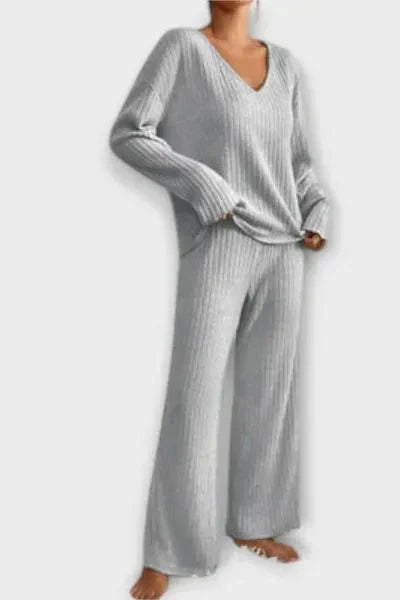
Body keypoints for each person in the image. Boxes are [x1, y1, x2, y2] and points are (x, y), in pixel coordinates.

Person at [109, 1, 329, 597]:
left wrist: (317, 210)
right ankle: (168, 552)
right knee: (193, 399)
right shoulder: (182, 48)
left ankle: (256, 522)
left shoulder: (285, 66)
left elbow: (298, 163)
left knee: (270, 395)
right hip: (220, 242)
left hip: (285, 249)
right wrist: (205, 184)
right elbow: (129, 133)